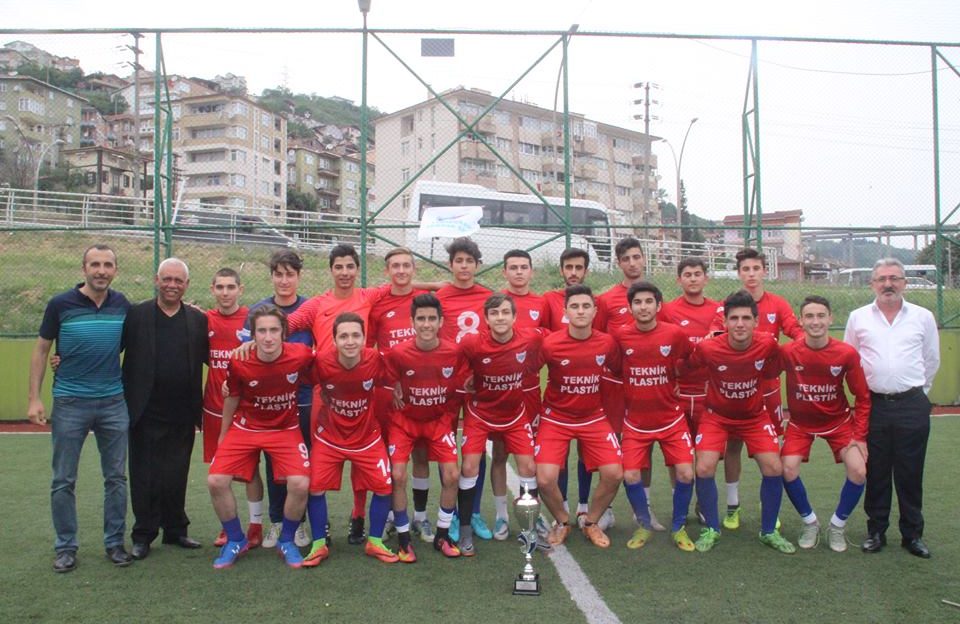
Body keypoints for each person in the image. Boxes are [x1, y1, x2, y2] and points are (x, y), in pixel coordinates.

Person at [27, 244, 133, 573]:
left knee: (116, 478)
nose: (101, 270)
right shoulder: (60, 304)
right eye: (95, 264)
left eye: (108, 265)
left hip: (114, 402)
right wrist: (34, 398)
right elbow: (42, 350)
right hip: (70, 402)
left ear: (115, 270)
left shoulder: (123, 305)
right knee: (63, 479)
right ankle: (65, 547)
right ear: (84, 268)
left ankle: (114, 543)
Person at [288, 244, 390, 545]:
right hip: (327, 393)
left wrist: (439, 285)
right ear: (331, 270)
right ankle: (322, 529)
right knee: (322, 463)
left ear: (357, 269)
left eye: (350, 266)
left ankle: (358, 516)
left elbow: (402, 284)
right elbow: (286, 324)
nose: (345, 272)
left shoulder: (368, 296)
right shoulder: (317, 305)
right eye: (339, 267)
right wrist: (253, 338)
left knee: (363, 456)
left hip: (361, 389)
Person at [686, 290, 796, 554]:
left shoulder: (767, 344)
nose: (740, 324)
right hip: (716, 416)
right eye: (734, 318)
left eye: (746, 318)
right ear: (724, 322)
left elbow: (778, 365)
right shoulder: (709, 347)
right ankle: (711, 528)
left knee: (774, 467)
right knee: (704, 467)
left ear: (756, 322)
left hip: (753, 416)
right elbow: (688, 366)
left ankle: (768, 531)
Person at [844, 258, 940, 558]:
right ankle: (876, 531)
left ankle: (912, 535)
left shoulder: (922, 317)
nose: (888, 284)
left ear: (904, 283)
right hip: (874, 405)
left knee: (911, 472)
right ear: (872, 284)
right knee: (877, 471)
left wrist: (919, 393)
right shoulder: (858, 317)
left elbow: (931, 359)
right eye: (882, 279)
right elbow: (851, 360)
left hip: (912, 404)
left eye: (895, 278)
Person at [207, 307, 315, 569]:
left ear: (284, 333)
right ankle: (236, 539)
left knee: (301, 483)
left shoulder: (300, 354)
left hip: (285, 429)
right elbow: (232, 396)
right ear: (253, 335)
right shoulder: (239, 360)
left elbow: (327, 366)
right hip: (246, 428)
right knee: (216, 480)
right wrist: (223, 434)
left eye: (274, 330)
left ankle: (286, 540)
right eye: (262, 331)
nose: (268, 337)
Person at [709, 248, 802, 531]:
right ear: (739, 273)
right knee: (733, 446)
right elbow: (714, 336)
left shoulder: (778, 304)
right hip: (734, 389)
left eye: (756, 268)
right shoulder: (727, 306)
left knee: (771, 451)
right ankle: (732, 506)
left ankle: (768, 507)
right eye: (746, 269)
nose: (751, 274)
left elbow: (796, 333)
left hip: (767, 389)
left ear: (764, 271)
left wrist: (788, 351)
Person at [122, 257, 209, 560]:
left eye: (178, 281)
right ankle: (143, 534)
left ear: (187, 285)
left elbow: (215, 357)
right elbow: (109, 350)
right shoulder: (135, 315)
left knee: (176, 473)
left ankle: (175, 529)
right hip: (144, 411)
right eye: (167, 279)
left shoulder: (197, 320)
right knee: (145, 476)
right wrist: (63, 357)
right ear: (156, 280)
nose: (172, 285)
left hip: (183, 412)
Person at [302, 312, 398, 566]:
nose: (350, 341)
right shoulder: (321, 362)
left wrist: (400, 386)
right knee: (314, 488)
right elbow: (291, 372)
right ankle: (319, 545)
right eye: (343, 336)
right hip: (329, 438)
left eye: (356, 335)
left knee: (385, 487)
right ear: (334, 340)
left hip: (366, 437)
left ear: (365, 339)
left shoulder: (375, 359)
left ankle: (374, 541)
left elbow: (403, 367)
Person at [534, 285, 623, 549]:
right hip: (556, 418)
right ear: (565, 312)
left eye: (586, 306)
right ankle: (563, 521)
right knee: (545, 479)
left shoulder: (606, 343)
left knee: (614, 473)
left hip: (593, 418)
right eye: (575, 306)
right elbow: (527, 371)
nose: (580, 311)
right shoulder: (550, 343)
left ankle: (591, 521)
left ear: (595, 311)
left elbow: (619, 371)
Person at [780, 296, 870, 552]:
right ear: (801, 321)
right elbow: (764, 377)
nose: (815, 321)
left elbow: (863, 397)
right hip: (800, 424)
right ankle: (810, 522)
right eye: (809, 316)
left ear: (831, 319)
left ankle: (837, 525)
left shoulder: (846, 353)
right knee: (786, 469)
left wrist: (860, 436)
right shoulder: (788, 352)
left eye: (821, 316)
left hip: (839, 422)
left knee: (859, 470)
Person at [456, 293, 544, 556]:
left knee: (528, 466)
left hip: (514, 415)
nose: (500, 318)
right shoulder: (472, 343)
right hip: (480, 414)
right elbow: (455, 363)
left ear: (515, 317)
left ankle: (529, 527)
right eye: (494, 313)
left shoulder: (531, 338)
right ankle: (465, 530)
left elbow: (544, 353)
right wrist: (468, 377)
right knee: (469, 466)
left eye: (505, 312)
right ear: (486, 319)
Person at [613, 282, 697, 552]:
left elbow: (689, 358)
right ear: (630, 307)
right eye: (638, 302)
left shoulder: (674, 334)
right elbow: (614, 368)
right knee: (630, 474)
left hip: (671, 419)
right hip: (636, 423)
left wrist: (677, 378)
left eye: (649, 301)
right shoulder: (620, 336)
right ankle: (644, 524)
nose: (643, 307)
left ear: (659, 305)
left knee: (685, 472)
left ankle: (679, 526)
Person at [383, 293, 465, 561]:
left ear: (440, 322)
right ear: (412, 322)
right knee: (397, 475)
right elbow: (387, 382)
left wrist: (448, 413)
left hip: (437, 422)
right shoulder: (398, 353)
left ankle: (442, 535)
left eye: (431, 319)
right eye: (421, 319)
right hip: (404, 423)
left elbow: (460, 386)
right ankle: (404, 539)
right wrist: (394, 389)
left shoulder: (454, 352)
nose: (426, 324)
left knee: (452, 475)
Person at [244, 250, 314, 549]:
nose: (284, 280)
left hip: (303, 399)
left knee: (302, 464)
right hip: (269, 403)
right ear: (271, 276)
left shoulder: (310, 309)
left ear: (298, 276)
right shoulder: (259, 310)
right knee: (274, 466)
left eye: (290, 274)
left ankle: (299, 523)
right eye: (279, 274)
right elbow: (246, 352)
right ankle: (276, 522)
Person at [367, 248, 434, 543]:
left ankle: (420, 517)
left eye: (406, 265)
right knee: (390, 459)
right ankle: (393, 516)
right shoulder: (378, 305)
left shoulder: (424, 301)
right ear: (387, 271)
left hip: (422, 393)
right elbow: (370, 350)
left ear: (414, 269)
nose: (401, 270)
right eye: (395, 266)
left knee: (421, 456)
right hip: (389, 394)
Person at [434, 237, 495, 541]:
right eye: (459, 260)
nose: (464, 266)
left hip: (476, 384)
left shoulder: (488, 297)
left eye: (469, 261)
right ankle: (452, 514)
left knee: (475, 450)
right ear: (450, 265)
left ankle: (473, 512)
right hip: (445, 383)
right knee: (445, 448)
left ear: (477, 265)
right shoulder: (440, 297)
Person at [597, 237, 657, 530]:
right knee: (610, 446)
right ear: (619, 263)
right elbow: (597, 339)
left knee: (646, 447)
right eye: (626, 259)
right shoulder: (607, 299)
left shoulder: (653, 296)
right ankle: (606, 509)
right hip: (613, 385)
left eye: (636, 257)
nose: (632, 263)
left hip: (646, 384)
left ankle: (643, 509)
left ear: (643, 258)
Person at [203, 268, 262, 549]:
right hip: (214, 409)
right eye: (220, 287)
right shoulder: (204, 320)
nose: (225, 292)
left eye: (230, 287)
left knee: (250, 472)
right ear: (212, 289)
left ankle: (255, 526)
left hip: (246, 411)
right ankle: (229, 527)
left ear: (241, 289)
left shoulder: (253, 319)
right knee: (220, 474)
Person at [540, 247, 598, 528]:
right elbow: (539, 334)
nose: (573, 272)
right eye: (569, 267)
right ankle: (561, 506)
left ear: (586, 270)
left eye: (578, 267)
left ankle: (583, 506)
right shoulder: (549, 300)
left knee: (587, 452)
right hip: (560, 393)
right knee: (559, 456)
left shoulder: (592, 302)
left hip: (588, 391)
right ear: (561, 270)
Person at [492, 249, 546, 541]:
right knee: (500, 454)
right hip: (501, 392)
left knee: (530, 458)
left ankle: (532, 515)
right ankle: (501, 515)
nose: (518, 272)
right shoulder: (496, 301)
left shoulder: (541, 302)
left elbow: (550, 340)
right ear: (504, 272)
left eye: (524, 267)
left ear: (531, 271)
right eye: (513, 267)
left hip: (530, 391)